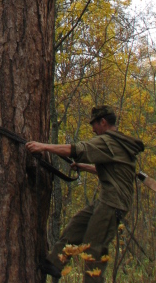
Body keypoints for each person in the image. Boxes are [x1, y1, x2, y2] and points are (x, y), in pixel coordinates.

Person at [26, 105, 144, 282]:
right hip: (106, 201)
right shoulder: (120, 144)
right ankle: (55, 263)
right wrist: (84, 167)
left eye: (94, 124)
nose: (93, 129)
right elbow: (113, 169)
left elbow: (76, 150)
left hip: (113, 204)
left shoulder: (108, 141)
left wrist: (43, 147)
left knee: (94, 248)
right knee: (77, 225)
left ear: (102, 121)